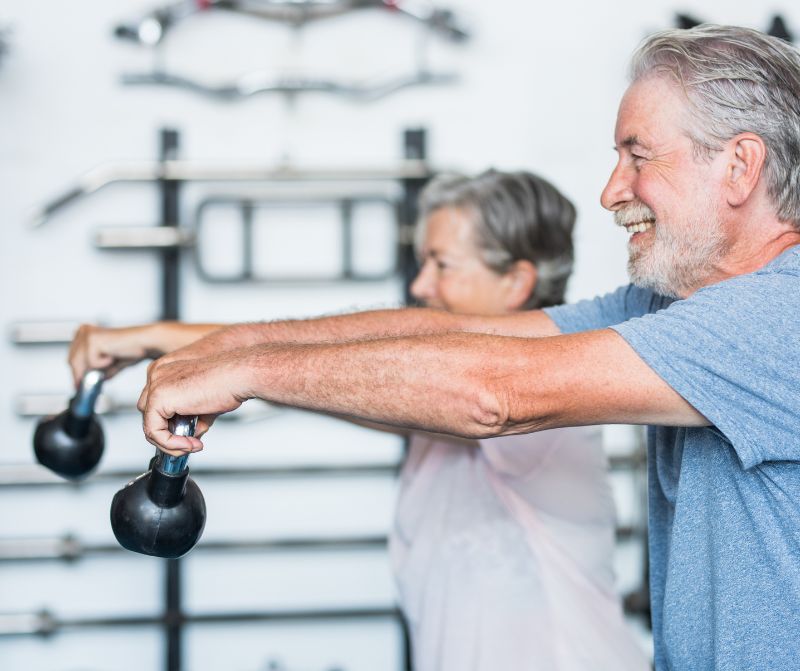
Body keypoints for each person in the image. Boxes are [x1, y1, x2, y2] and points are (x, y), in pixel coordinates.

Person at [70, 171, 648, 670]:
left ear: (516, 282)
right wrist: (173, 351)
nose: (420, 286)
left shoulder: (530, 401)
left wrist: (169, 346)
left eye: (442, 264)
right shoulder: (437, 405)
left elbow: (366, 369)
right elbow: (343, 372)